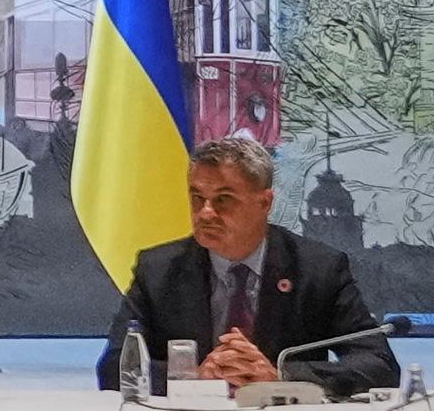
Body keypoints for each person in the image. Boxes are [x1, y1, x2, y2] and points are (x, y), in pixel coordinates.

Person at [116, 139, 373, 392]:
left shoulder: (318, 269)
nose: (205, 213)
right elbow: (115, 366)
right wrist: (193, 377)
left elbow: (376, 363)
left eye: (223, 199)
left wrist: (281, 376)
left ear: (265, 203)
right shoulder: (159, 270)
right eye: (197, 198)